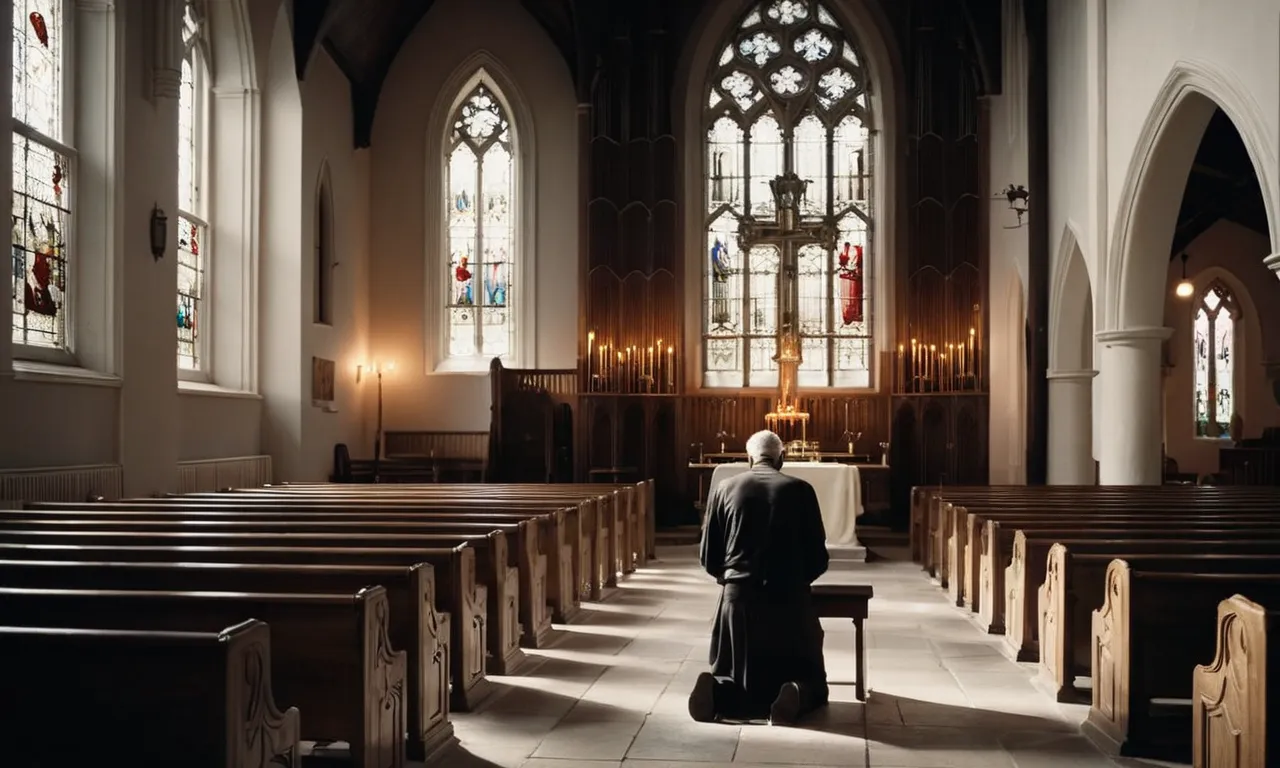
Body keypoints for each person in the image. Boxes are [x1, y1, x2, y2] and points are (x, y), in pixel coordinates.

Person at [688, 430, 830, 725]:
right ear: (782, 458)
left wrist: (734, 581)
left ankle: (717, 690)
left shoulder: (725, 488)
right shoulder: (801, 489)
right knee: (812, 679)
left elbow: (708, 555)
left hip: (738, 594)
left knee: (736, 676)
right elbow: (818, 557)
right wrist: (795, 582)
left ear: (748, 457)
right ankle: (794, 691)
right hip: (789, 595)